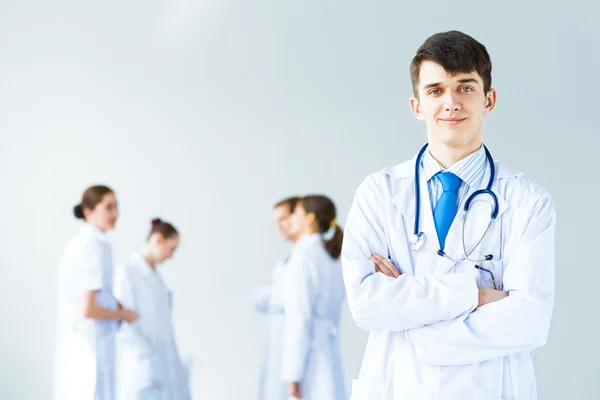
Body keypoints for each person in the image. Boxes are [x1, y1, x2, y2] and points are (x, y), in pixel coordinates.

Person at [342, 30, 556, 399]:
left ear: (489, 99)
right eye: (436, 90)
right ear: (417, 106)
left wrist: (411, 321)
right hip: (398, 385)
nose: (451, 102)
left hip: (490, 388)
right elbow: (366, 306)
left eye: (465, 87)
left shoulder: (527, 201)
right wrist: (476, 295)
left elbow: (530, 320)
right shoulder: (379, 193)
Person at [54, 185, 138, 400]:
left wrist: (115, 304)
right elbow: (88, 308)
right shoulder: (94, 246)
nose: (115, 213)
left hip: (82, 347)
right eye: (108, 207)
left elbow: (91, 297)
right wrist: (123, 315)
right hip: (90, 348)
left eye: (117, 207)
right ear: (89, 211)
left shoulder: (83, 244)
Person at [114, 218, 190, 399]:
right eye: (172, 249)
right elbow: (122, 322)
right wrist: (147, 357)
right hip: (144, 368)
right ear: (157, 240)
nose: (172, 256)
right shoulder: (127, 272)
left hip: (163, 366)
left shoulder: (157, 280)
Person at [282, 195, 346, 400]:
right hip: (328, 350)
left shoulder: (303, 256)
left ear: (310, 219)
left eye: (296, 213)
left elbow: (299, 317)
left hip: (310, 356)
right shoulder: (331, 256)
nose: (290, 219)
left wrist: (293, 372)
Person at [251, 196, 300, 400]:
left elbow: (286, 297)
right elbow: (257, 299)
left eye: (283, 219)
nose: (279, 226)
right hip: (280, 342)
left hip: (293, 345)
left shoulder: (308, 256)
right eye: (276, 221)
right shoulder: (287, 260)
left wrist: (273, 290)